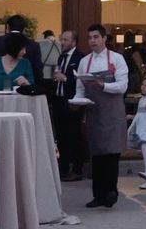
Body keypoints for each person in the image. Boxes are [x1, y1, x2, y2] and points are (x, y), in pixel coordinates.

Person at [73, 24, 128, 209]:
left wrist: (102, 85)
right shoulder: (84, 61)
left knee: (112, 154)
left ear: (104, 38)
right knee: (96, 156)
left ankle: (111, 192)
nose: (92, 41)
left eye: (96, 37)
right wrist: (76, 102)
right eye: (90, 38)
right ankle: (97, 196)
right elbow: (80, 88)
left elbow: (122, 86)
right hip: (94, 113)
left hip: (113, 113)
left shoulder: (117, 59)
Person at [52, 29, 85, 182]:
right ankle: (63, 168)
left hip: (72, 103)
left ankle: (77, 169)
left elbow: (81, 80)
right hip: (60, 101)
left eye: (66, 40)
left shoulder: (80, 58)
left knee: (74, 135)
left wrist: (65, 79)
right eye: (62, 39)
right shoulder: (61, 57)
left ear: (74, 42)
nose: (62, 42)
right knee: (61, 136)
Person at [0, 14, 43, 83]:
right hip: (23, 87)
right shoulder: (33, 45)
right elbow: (38, 70)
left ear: (7, 27)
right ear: (24, 29)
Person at [39, 29, 61, 94]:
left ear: (45, 36)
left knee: (46, 90)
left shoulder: (41, 43)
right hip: (57, 69)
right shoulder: (60, 43)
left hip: (45, 70)